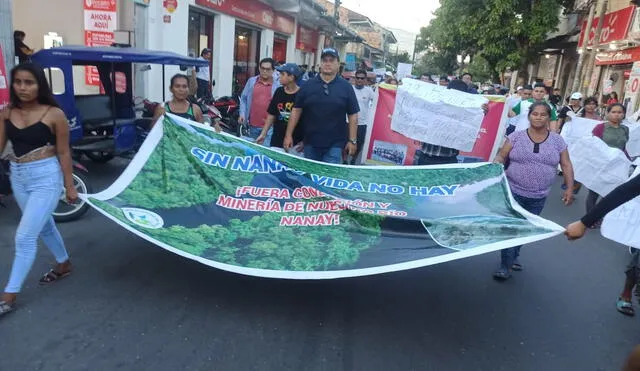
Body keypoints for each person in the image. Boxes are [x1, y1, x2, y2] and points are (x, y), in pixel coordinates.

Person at [0, 63, 78, 317]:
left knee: (24, 237)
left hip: (46, 177)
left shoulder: (54, 114)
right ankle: (63, 264)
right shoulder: (6, 112)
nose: (23, 88)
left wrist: (69, 186)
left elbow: (64, 151)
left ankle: (9, 296)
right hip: (18, 176)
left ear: (39, 85)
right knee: (43, 225)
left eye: (29, 82)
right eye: (18, 82)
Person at [492, 102, 575, 280]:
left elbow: (566, 164)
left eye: (543, 114)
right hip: (512, 190)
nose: (538, 117)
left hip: (539, 195)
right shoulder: (515, 137)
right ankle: (505, 265)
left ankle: (514, 254)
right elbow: (502, 155)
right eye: (535, 114)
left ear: (548, 118)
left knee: (526, 229)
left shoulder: (557, 140)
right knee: (511, 228)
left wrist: (569, 188)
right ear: (529, 116)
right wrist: (497, 163)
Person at [283, 48, 359, 164]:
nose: (327, 63)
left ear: (338, 64)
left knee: (328, 178)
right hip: (310, 143)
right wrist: (288, 135)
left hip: (335, 144)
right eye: (324, 60)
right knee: (310, 178)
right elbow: (296, 111)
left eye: (331, 60)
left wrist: (352, 140)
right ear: (320, 64)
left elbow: (353, 114)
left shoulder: (346, 87)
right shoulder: (308, 85)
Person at [584, 103, 629, 227]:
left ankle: (599, 216)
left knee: (609, 193)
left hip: (616, 166)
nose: (617, 115)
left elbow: (624, 147)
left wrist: (628, 161)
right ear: (608, 113)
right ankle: (590, 219)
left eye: (620, 112)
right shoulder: (600, 128)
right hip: (600, 165)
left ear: (623, 114)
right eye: (614, 112)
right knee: (593, 193)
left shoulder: (625, 129)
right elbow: (593, 145)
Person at [256, 63, 303, 150]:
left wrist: (304, 141)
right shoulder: (279, 91)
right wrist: (263, 134)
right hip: (276, 140)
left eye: (282, 74)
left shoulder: (302, 94)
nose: (279, 76)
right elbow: (271, 114)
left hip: (295, 144)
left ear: (291, 77)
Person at [239, 57, 280, 146]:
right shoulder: (252, 81)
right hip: (253, 126)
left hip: (270, 128)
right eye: (263, 68)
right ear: (259, 69)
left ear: (273, 70)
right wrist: (242, 114)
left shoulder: (277, 86)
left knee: (265, 153)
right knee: (253, 151)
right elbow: (244, 99)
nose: (265, 71)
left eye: (268, 69)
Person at [347, 69, 375, 165]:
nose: (359, 80)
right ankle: (344, 161)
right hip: (348, 122)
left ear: (365, 79)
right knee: (344, 143)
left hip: (362, 123)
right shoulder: (349, 89)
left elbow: (378, 101)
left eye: (362, 78)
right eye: (357, 78)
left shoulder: (369, 91)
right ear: (355, 78)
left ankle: (353, 160)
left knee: (359, 144)